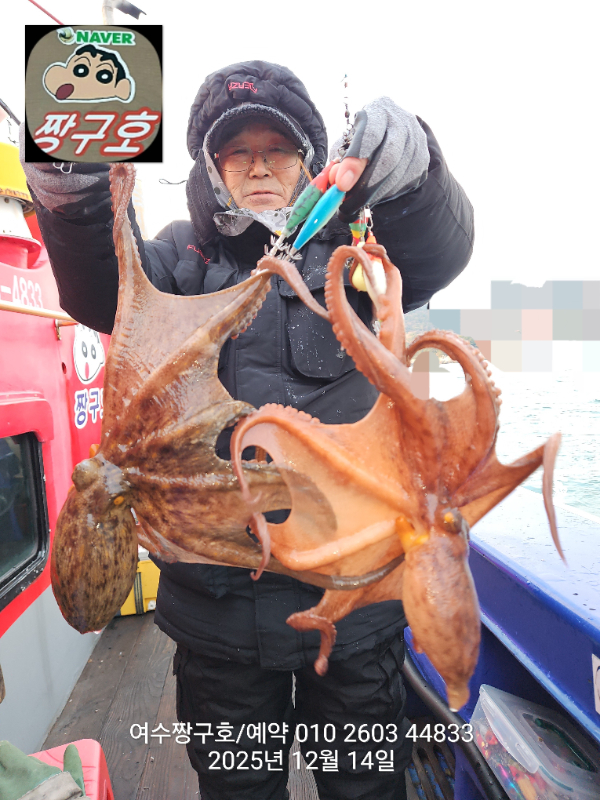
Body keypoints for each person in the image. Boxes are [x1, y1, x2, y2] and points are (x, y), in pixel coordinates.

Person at [21, 60, 474, 800]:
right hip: (218, 619)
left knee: (364, 786)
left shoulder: (359, 250)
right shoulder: (176, 258)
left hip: (355, 607)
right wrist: (70, 181)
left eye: (278, 150)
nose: (259, 166)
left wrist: (415, 173)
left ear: (309, 161)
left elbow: (437, 250)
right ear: (213, 167)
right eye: (238, 152)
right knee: (238, 789)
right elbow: (102, 280)